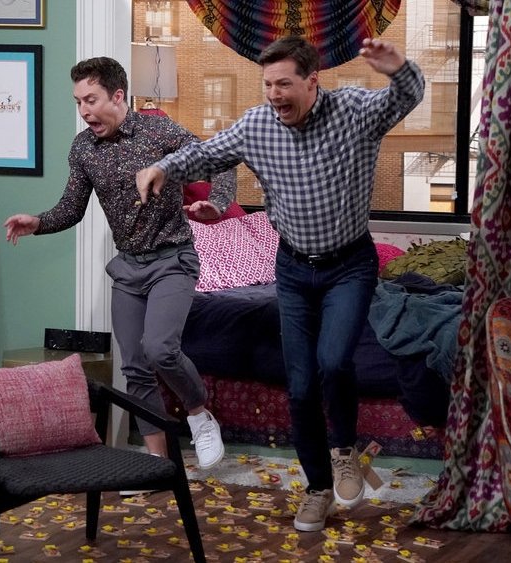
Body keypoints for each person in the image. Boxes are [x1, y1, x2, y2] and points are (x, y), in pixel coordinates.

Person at [136, 35, 424, 531]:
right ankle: (317, 489)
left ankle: (343, 450)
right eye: (268, 84)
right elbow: (206, 155)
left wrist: (399, 68)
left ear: (313, 81)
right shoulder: (257, 125)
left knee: (334, 361)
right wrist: (163, 166)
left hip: (349, 265)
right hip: (291, 269)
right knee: (300, 384)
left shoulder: (354, 111)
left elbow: (407, 96)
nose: (274, 95)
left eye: (284, 84)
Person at [5, 56, 236, 472]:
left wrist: (216, 205)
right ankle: (156, 463)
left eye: (91, 100)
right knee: (134, 368)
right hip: (128, 269)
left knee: (160, 349)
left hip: (172, 260)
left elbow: (219, 162)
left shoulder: (158, 131)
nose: (84, 111)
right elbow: (72, 208)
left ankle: (199, 414)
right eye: (78, 102)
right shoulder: (83, 148)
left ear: (117, 95)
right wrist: (37, 223)